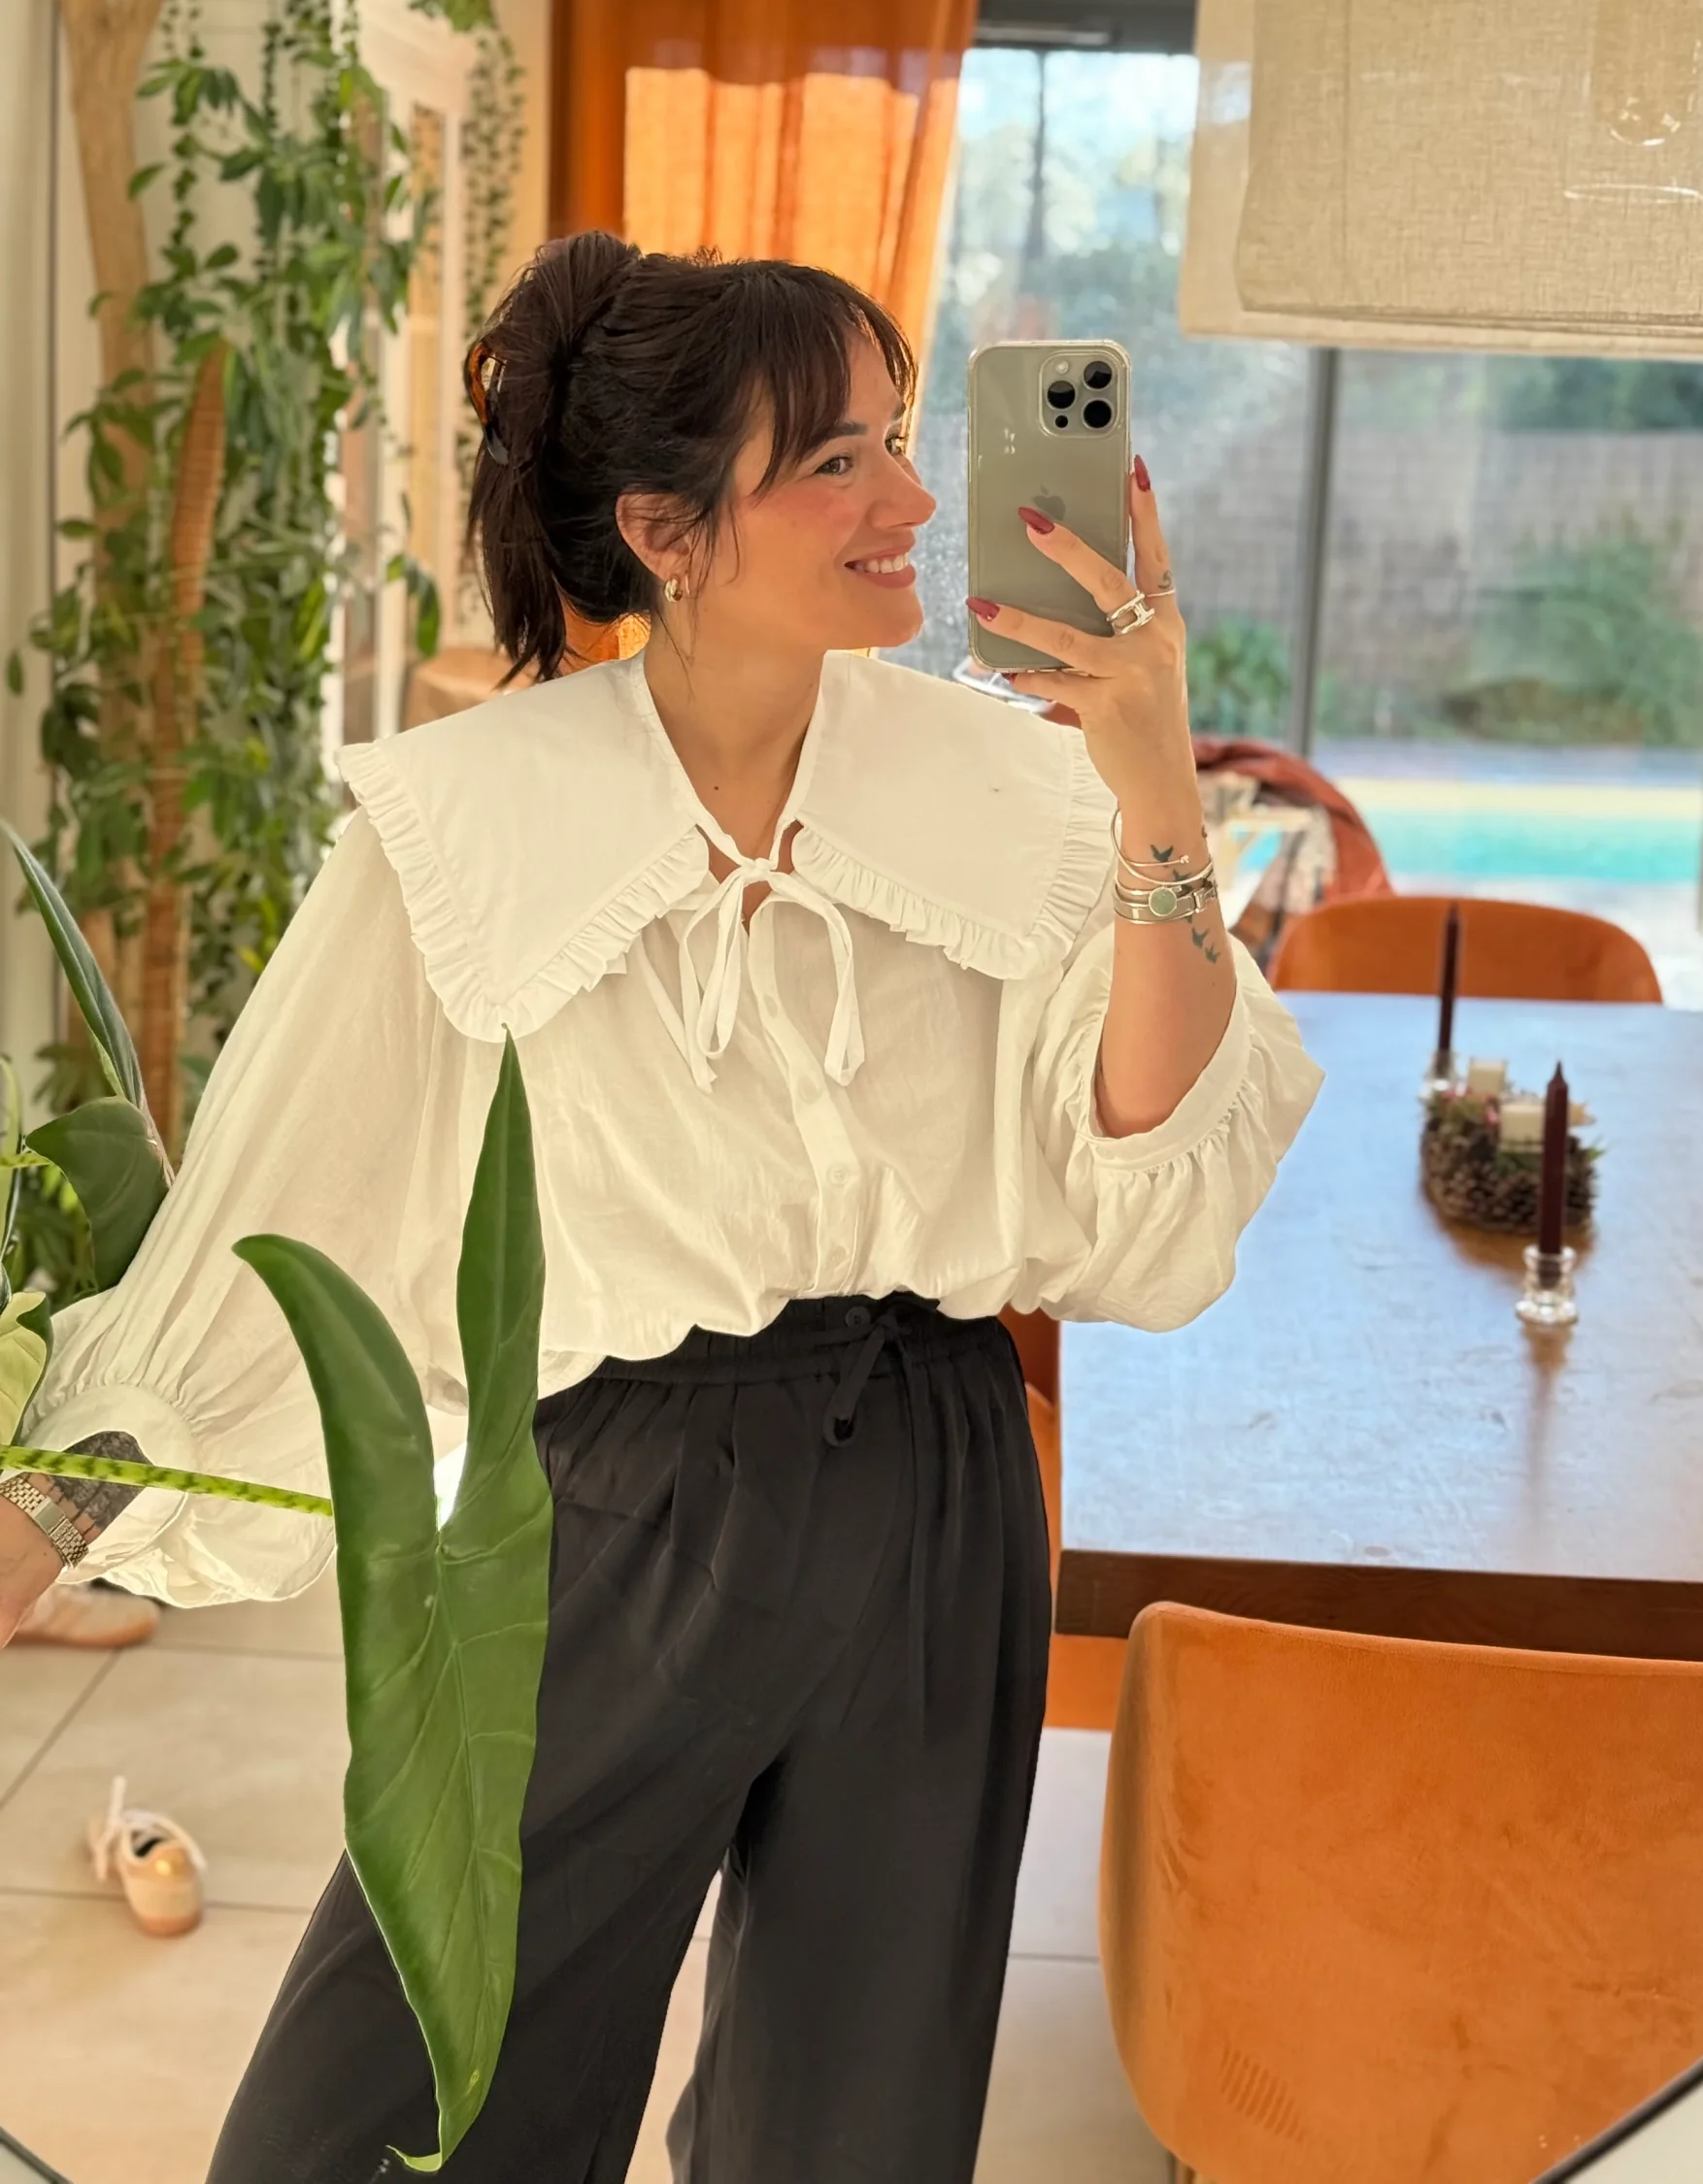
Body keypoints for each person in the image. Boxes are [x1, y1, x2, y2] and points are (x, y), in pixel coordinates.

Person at [0, 234, 1319, 2182]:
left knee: (855, 2126)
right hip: (614, 1502)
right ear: (664, 529)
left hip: (940, 1481)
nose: (913, 500)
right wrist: (43, 1525)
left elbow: (1150, 1125)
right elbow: (286, 1210)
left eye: (900, 440)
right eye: (838, 461)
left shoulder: (1012, 781)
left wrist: (1150, 785)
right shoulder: (469, 821)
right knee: (392, 2095)